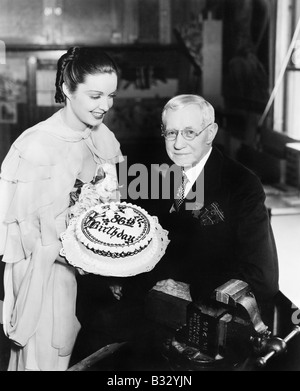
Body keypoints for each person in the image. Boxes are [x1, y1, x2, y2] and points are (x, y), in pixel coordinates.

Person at [0, 46, 123, 371]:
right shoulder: (36, 146)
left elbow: (111, 205)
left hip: (91, 278)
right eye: (95, 95)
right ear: (67, 89)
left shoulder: (102, 137)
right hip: (48, 277)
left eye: (110, 95)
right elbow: (27, 233)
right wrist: (80, 255)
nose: (105, 106)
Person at [148, 94, 279, 321]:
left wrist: (192, 289)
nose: (178, 144)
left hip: (216, 318)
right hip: (161, 309)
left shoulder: (241, 184)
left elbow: (262, 279)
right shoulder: (158, 175)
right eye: (171, 133)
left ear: (210, 133)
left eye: (190, 132)